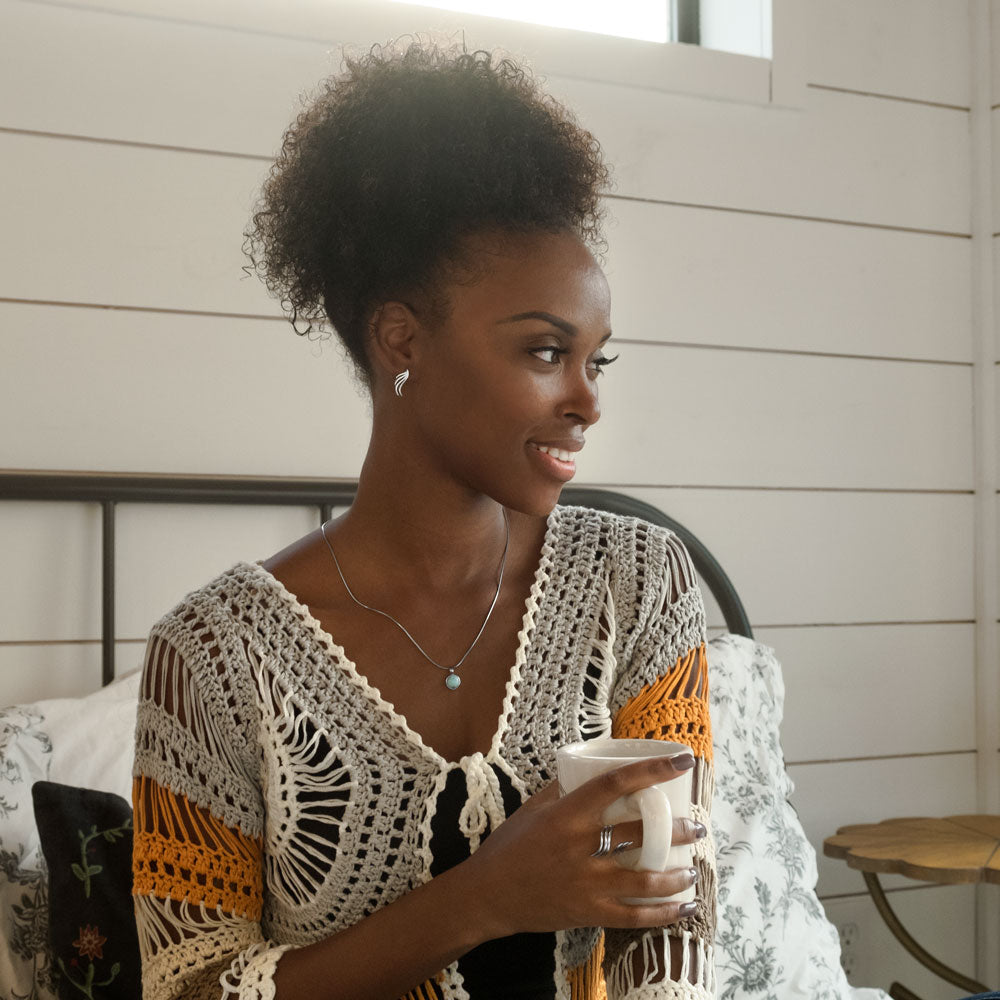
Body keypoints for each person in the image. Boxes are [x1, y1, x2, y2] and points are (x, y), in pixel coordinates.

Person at [131, 39, 717, 1000]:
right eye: (543, 352)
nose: (587, 402)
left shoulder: (637, 581)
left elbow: (673, 935)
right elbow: (192, 990)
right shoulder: (213, 657)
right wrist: (484, 898)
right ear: (401, 338)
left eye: (595, 362)